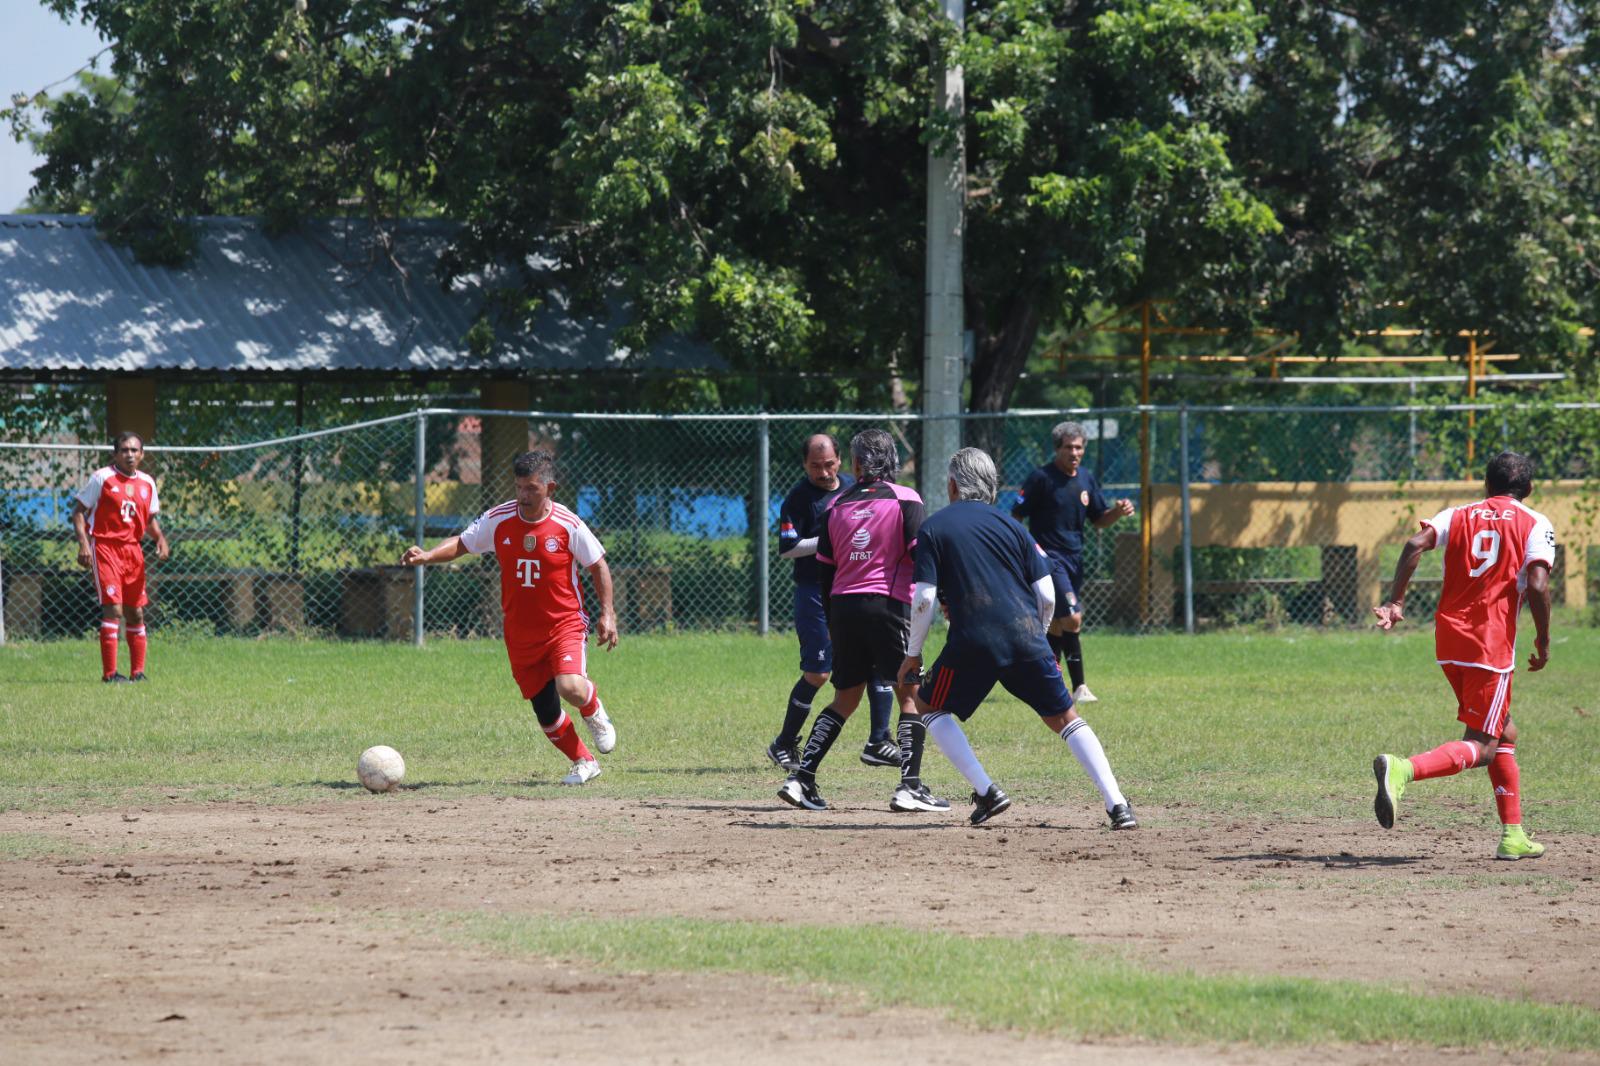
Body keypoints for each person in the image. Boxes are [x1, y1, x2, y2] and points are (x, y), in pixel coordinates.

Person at [898, 447, 1137, 830]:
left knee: (928, 706)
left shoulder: (935, 526)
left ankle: (987, 791)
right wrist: (1039, 640)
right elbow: (1047, 595)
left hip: (973, 640)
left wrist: (913, 654)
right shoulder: (1014, 527)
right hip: (1027, 636)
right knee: (1065, 717)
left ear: (953, 485)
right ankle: (1118, 804)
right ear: (991, 485)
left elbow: (924, 597)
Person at [1371, 450, 1555, 860]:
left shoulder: (1457, 514)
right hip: (1490, 646)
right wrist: (1543, 640)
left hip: (1450, 641)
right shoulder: (1535, 523)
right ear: (1528, 489)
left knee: (1504, 733)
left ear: (1487, 485)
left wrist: (1396, 602)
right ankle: (1403, 769)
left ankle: (1513, 835)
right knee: (1484, 745)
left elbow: (1415, 543)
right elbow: (1539, 585)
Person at [401, 451, 618, 785]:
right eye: (519, 487)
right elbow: (462, 543)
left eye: (531, 488)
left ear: (550, 488)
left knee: (570, 686)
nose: (523, 495)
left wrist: (607, 614)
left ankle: (593, 710)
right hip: (520, 632)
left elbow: (598, 564)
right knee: (546, 711)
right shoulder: (499, 518)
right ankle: (584, 761)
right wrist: (428, 555)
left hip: (564, 624)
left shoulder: (567, 523)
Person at [777, 429, 947, 813]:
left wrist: (834, 615)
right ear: (893, 461)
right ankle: (911, 786)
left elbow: (824, 571)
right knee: (911, 695)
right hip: (887, 607)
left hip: (841, 609)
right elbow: (923, 560)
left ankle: (801, 779)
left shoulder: (836, 505)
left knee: (844, 698)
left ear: (854, 465)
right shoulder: (907, 499)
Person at [770, 433, 899, 772]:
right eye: (815, 466)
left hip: (851, 590)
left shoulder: (852, 489)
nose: (824, 473)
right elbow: (788, 547)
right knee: (818, 672)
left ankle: (879, 739)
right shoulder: (798, 498)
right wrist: (828, 539)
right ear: (804, 465)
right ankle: (783, 744)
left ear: (841, 461)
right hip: (814, 591)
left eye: (829, 465)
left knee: (874, 663)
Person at [1011, 421, 1134, 703]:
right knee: (1073, 617)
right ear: (1057, 449)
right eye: (1068, 447)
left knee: (1056, 626)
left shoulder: (1086, 479)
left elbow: (1100, 520)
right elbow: (1016, 514)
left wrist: (1117, 511)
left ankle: (1047, 684)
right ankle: (1080, 687)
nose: (1074, 452)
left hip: (1074, 559)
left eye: (1079, 447)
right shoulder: (1040, 478)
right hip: (1048, 559)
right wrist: (1021, 550)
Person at [71, 432, 170, 683]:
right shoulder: (102, 478)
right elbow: (79, 512)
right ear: (115, 454)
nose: (130, 454)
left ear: (142, 454)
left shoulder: (147, 482)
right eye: (124, 450)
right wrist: (84, 543)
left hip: (133, 551)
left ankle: (138, 672)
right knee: (113, 609)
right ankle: (110, 674)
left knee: (135, 612)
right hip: (105, 547)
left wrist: (160, 538)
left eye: (135, 450)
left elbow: (148, 519)